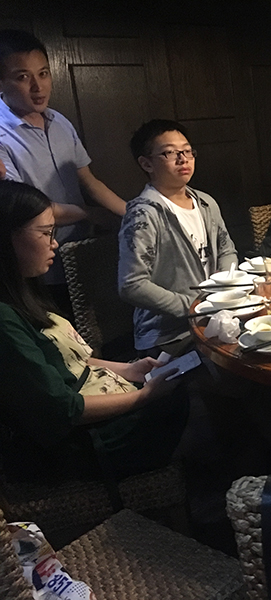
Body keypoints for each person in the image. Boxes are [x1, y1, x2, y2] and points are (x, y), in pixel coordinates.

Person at [0, 180, 186, 483]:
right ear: (7, 237)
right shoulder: (5, 321)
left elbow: (69, 359)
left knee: (178, 378)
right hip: (76, 447)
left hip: (91, 398)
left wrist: (129, 370)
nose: (54, 244)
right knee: (176, 398)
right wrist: (145, 397)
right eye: (46, 233)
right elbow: (64, 409)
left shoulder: (25, 291)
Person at [0, 30, 127, 311]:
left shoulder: (58, 121)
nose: (38, 86)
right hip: (36, 264)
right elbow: (26, 210)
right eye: (23, 77)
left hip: (81, 251)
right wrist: (89, 213)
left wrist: (133, 213)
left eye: (43, 73)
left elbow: (88, 180)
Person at [119, 119, 238, 356]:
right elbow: (131, 285)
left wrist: (222, 292)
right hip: (169, 334)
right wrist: (193, 306)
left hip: (212, 318)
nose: (183, 159)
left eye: (187, 151)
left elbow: (227, 250)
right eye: (170, 153)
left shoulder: (205, 203)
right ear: (146, 163)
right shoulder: (143, 214)